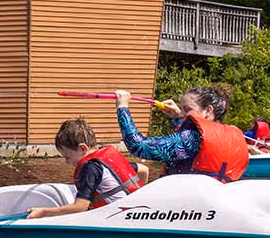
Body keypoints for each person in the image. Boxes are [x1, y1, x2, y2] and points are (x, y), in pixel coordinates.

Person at [116, 86, 251, 182]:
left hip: (181, 208)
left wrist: (123, 108)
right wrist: (178, 117)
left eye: (187, 109)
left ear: (209, 110)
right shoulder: (229, 135)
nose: (182, 113)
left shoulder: (192, 138)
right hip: (207, 208)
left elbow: (138, 146)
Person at [25, 118, 142, 218]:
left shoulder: (90, 168)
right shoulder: (106, 161)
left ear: (82, 148)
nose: (67, 162)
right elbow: (143, 170)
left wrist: (44, 212)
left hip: (116, 217)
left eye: (67, 156)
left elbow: (80, 207)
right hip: (136, 213)